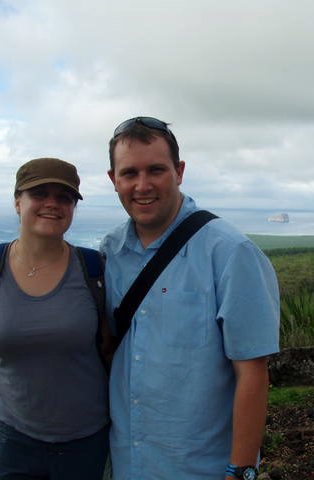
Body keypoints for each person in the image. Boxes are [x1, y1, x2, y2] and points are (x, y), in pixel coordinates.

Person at [101, 116, 280, 480]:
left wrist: (241, 469)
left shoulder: (230, 252)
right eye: (129, 173)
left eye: (156, 170)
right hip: (126, 464)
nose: (143, 185)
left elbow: (252, 372)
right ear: (113, 180)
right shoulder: (109, 253)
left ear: (179, 171)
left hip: (201, 468)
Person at [0, 158, 111, 479]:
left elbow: (112, 348)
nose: (52, 204)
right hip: (12, 438)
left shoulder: (95, 270)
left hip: (85, 440)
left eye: (64, 197)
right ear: (18, 202)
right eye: (39, 193)